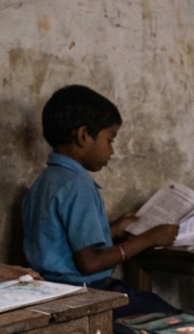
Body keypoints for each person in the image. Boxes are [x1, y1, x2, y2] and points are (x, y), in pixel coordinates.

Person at [21, 85, 178, 314]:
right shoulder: (78, 184)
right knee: (170, 317)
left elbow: (62, 242)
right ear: (84, 136)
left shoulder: (44, 182)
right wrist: (149, 238)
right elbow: (90, 263)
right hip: (84, 293)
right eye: (110, 140)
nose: (112, 151)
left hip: (49, 292)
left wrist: (112, 230)